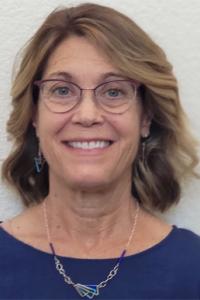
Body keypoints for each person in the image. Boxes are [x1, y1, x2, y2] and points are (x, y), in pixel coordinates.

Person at [0, 2, 200, 299]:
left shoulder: (193, 267)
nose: (87, 115)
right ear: (34, 116)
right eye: (62, 90)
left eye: (114, 91)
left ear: (145, 118)